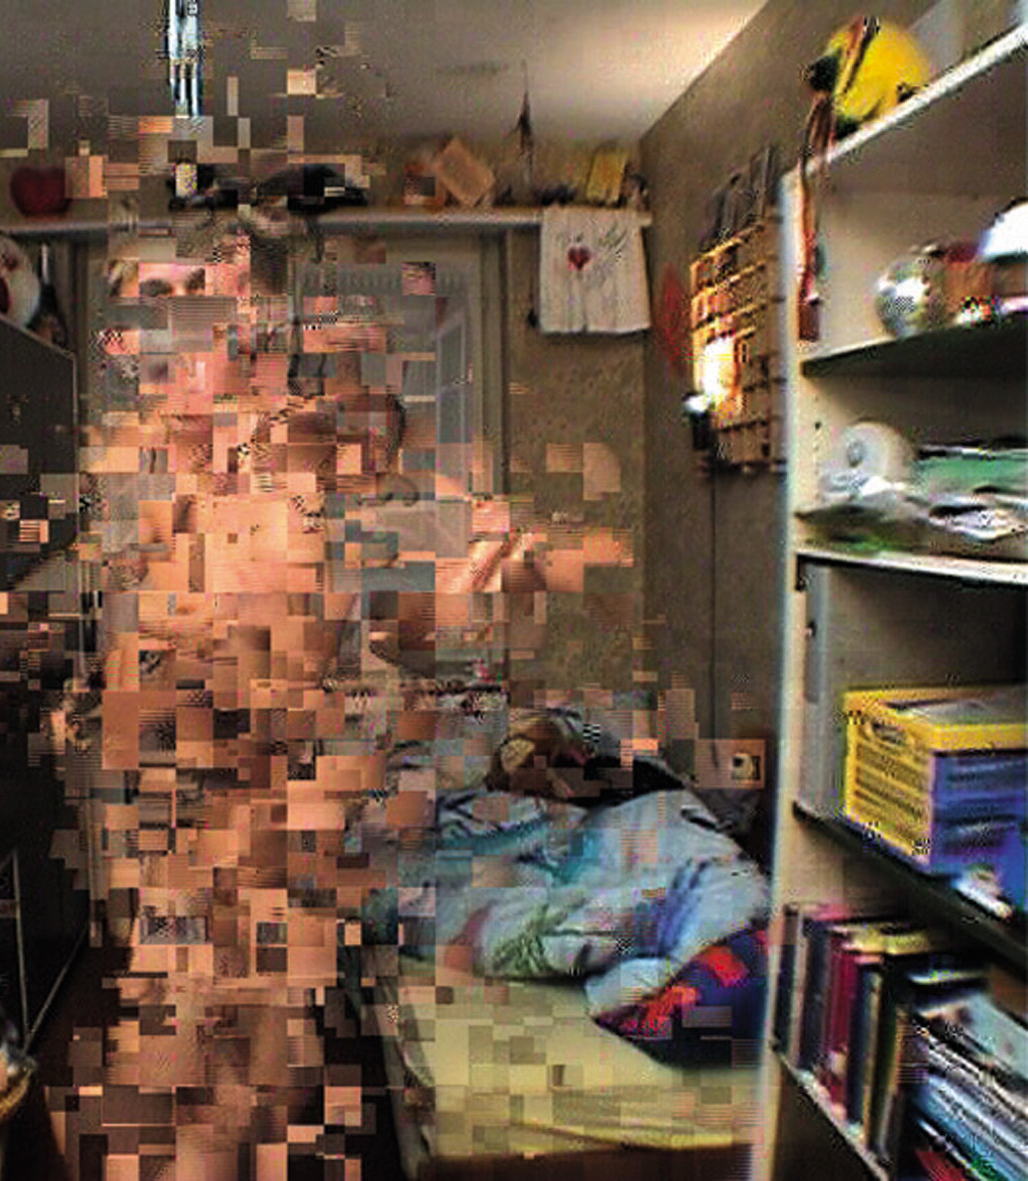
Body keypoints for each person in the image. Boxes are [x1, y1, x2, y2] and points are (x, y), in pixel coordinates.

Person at [65, 208, 632, 1177]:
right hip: (183, 860)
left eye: (209, 308)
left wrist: (479, 589)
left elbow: (395, 623)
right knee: (180, 1093)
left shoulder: (306, 481)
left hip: (277, 858)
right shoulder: (146, 483)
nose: (176, 339)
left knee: (251, 1093)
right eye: (153, 311)